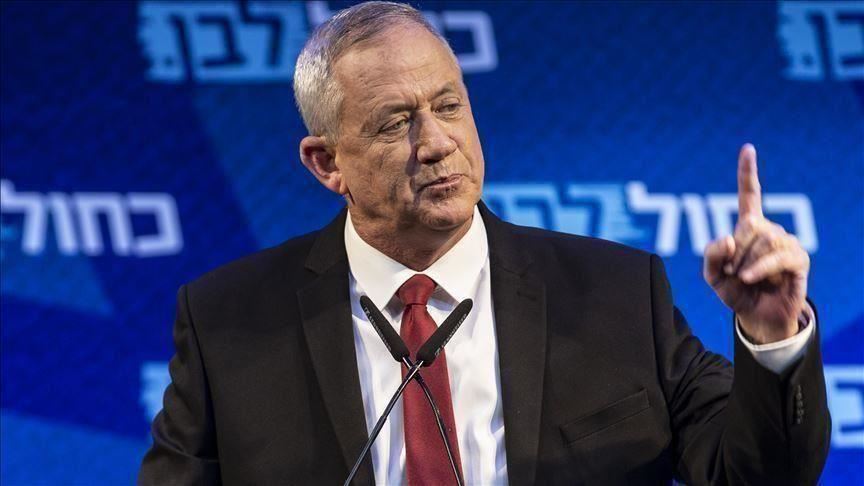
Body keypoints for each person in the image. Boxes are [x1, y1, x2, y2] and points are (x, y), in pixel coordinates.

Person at [138, 2, 830, 484]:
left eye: (449, 106)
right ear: (327, 163)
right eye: (395, 123)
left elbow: (758, 476)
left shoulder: (616, 295)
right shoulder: (229, 323)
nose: (437, 143)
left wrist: (772, 337)